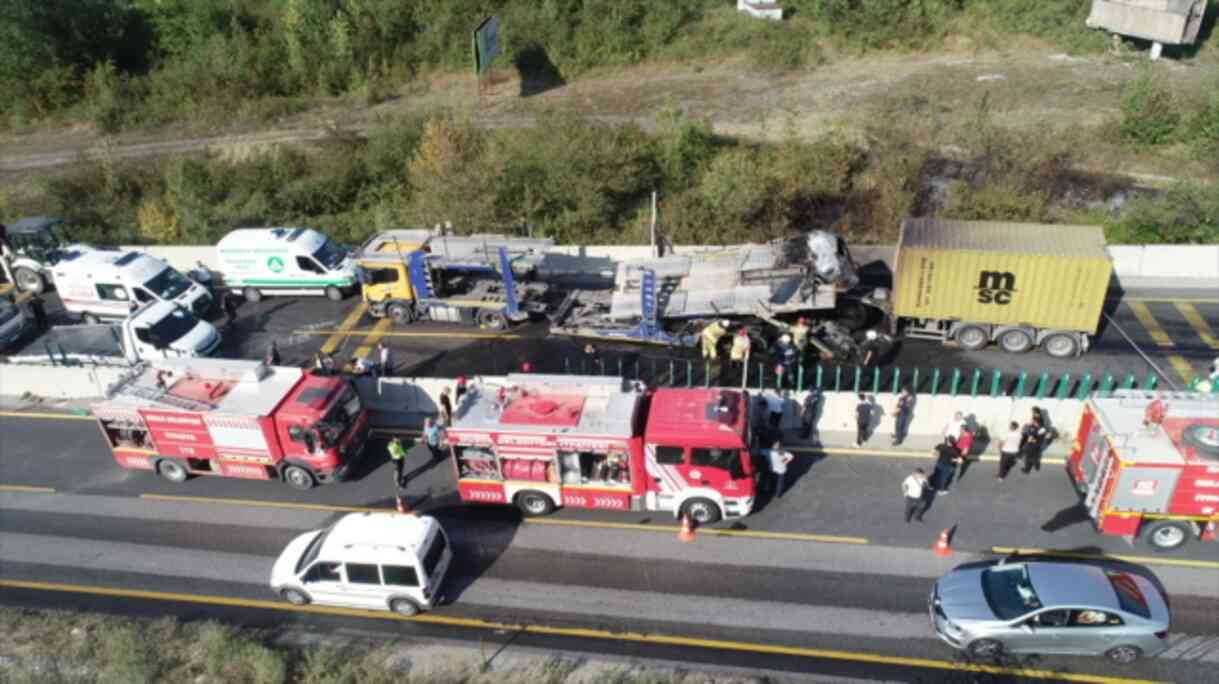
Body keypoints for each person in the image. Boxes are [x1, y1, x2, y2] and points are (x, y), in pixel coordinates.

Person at [1021, 409, 1049, 474]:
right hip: (1034, 442)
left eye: (1033, 421)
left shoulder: (1041, 425)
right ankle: (1036, 466)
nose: (1032, 422)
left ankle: (1027, 469)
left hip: (1035, 443)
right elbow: (1031, 430)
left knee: (1030, 456)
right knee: (1035, 456)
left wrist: (1033, 439)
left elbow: (1041, 434)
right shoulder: (1034, 423)